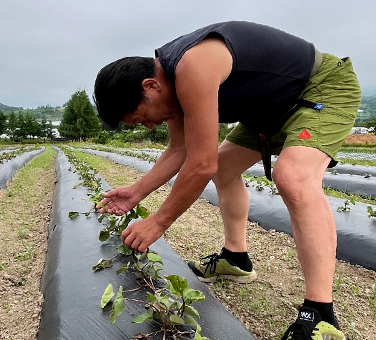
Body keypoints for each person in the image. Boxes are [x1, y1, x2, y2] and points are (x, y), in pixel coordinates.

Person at [93, 21, 360, 340]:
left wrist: (159, 221)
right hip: (266, 109)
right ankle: (236, 258)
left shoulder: (192, 67)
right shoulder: (171, 85)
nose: (149, 126)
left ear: (151, 86)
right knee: (224, 168)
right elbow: (180, 149)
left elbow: (200, 163)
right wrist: (136, 192)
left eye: (141, 117)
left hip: (317, 88)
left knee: (292, 177)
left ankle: (321, 314)